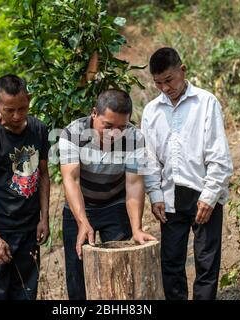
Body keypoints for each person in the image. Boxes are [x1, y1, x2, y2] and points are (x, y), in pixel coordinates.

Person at [141, 47, 233, 300]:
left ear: (183, 71)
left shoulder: (206, 103)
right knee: (170, 263)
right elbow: (149, 159)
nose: (165, 88)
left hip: (203, 195)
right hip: (169, 197)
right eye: (158, 83)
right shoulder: (151, 111)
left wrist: (210, 194)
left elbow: (219, 155)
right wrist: (155, 195)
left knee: (206, 264)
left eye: (169, 80)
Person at [59, 89, 156, 300]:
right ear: (94, 113)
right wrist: (82, 221)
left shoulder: (134, 137)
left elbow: (134, 183)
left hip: (115, 204)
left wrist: (137, 229)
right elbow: (71, 179)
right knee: (77, 272)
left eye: (121, 127)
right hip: (80, 206)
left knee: (121, 267)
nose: (115, 134)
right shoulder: (72, 133)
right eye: (108, 126)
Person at [0, 74, 50, 300]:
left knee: (26, 294)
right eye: (9, 110)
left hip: (29, 230)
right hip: (0, 230)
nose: (17, 116)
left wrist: (44, 218)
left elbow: (44, 175)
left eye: (22, 108)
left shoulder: (39, 129)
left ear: (29, 100)